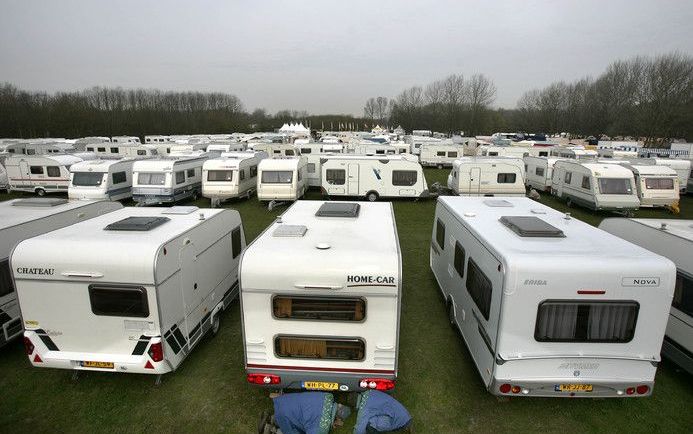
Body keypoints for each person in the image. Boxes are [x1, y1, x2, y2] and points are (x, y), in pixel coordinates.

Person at [260, 392, 352, 434]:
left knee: (298, 415)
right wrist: (330, 425)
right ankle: (270, 429)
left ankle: (273, 418)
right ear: (338, 418)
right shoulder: (322, 427)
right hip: (285, 417)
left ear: (340, 405)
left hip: (283, 401)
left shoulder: (328, 397)